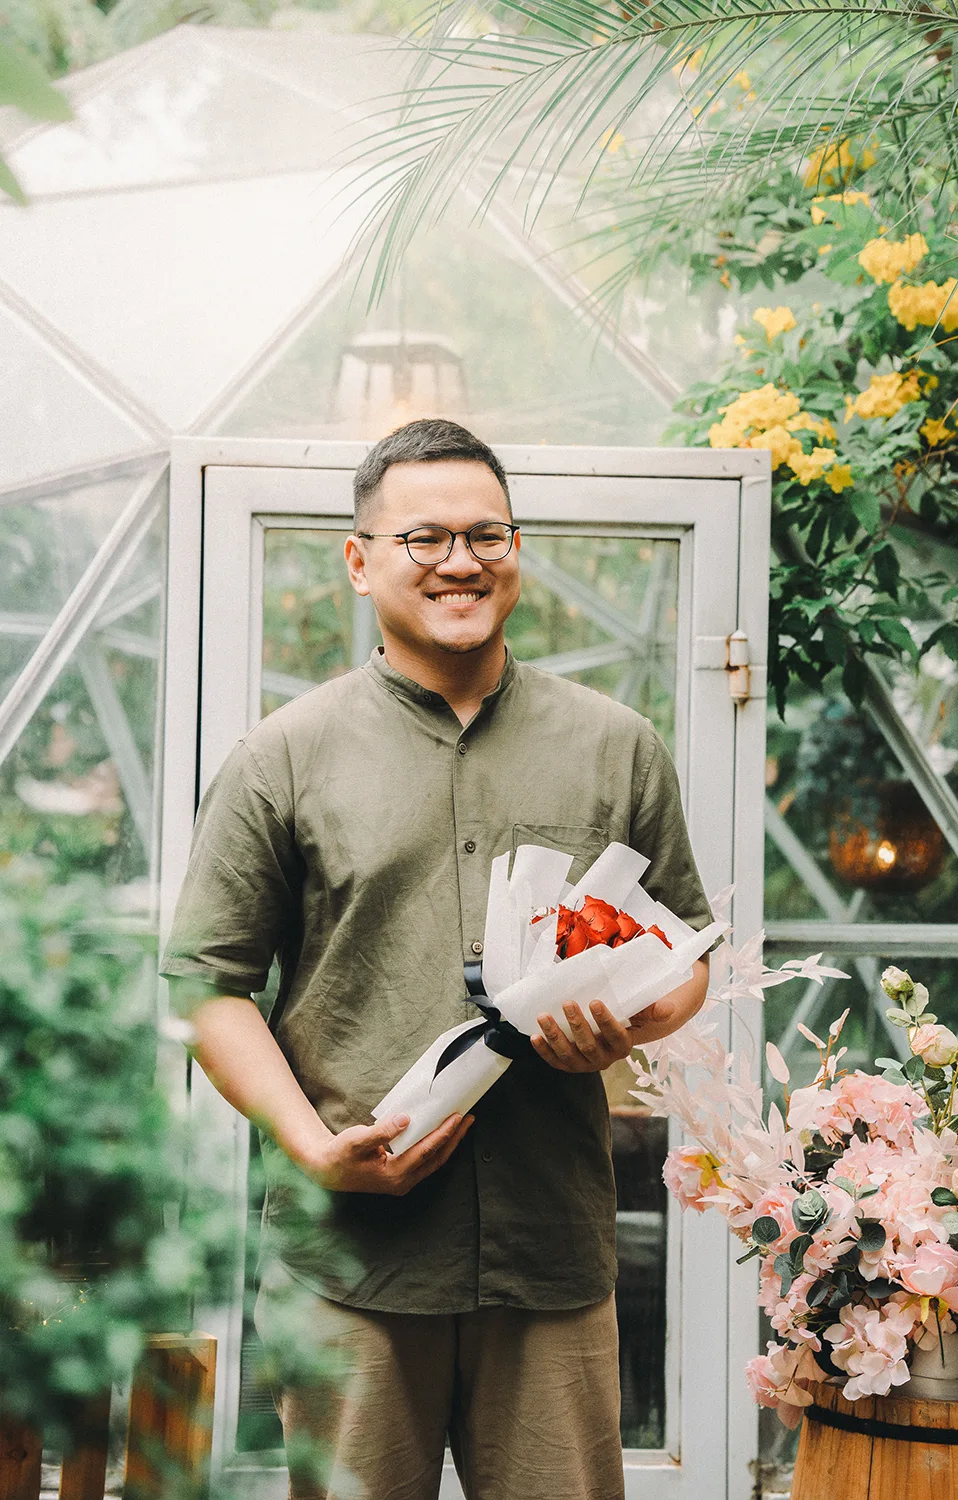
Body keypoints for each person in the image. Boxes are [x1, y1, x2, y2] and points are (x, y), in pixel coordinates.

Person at [161, 418, 713, 1500]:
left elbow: (684, 952)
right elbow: (207, 986)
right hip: (357, 1269)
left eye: (485, 534)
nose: (459, 560)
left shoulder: (616, 745)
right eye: (423, 538)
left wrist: (634, 1021)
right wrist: (315, 1149)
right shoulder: (283, 756)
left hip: (549, 1257)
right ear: (360, 559)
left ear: (517, 550)